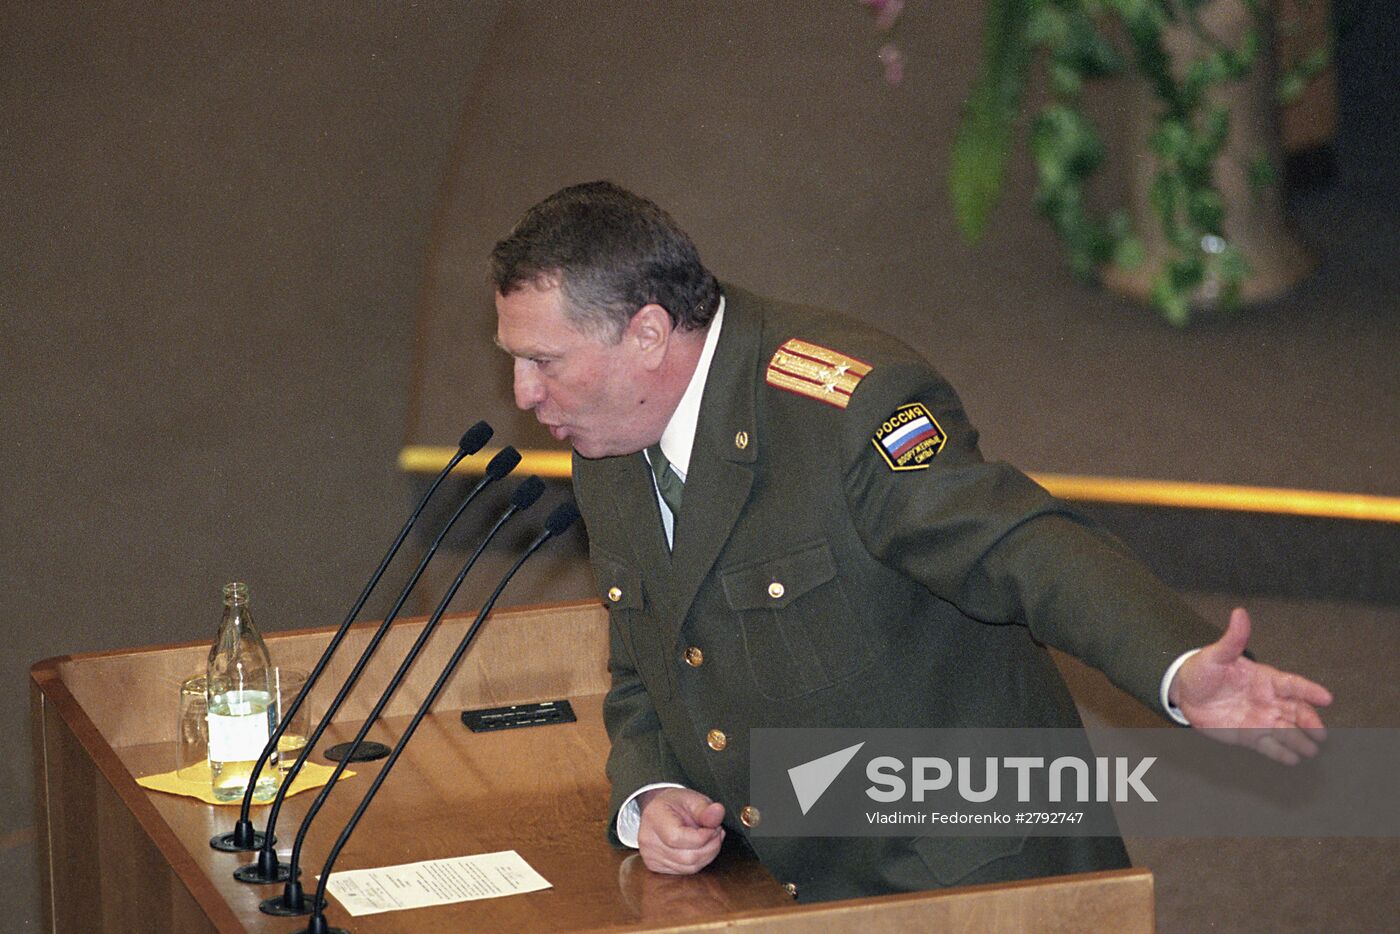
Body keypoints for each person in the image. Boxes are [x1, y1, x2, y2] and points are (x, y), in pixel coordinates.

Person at [489, 181, 1332, 901]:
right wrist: (654, 788)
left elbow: (1017, 544)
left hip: (952, 871)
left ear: (645, 333)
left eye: (544, 361)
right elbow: (650, 661)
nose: (524, 394)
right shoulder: (609, 442)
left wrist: (1177, 666)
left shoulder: (849, 410)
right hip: (779, 878)